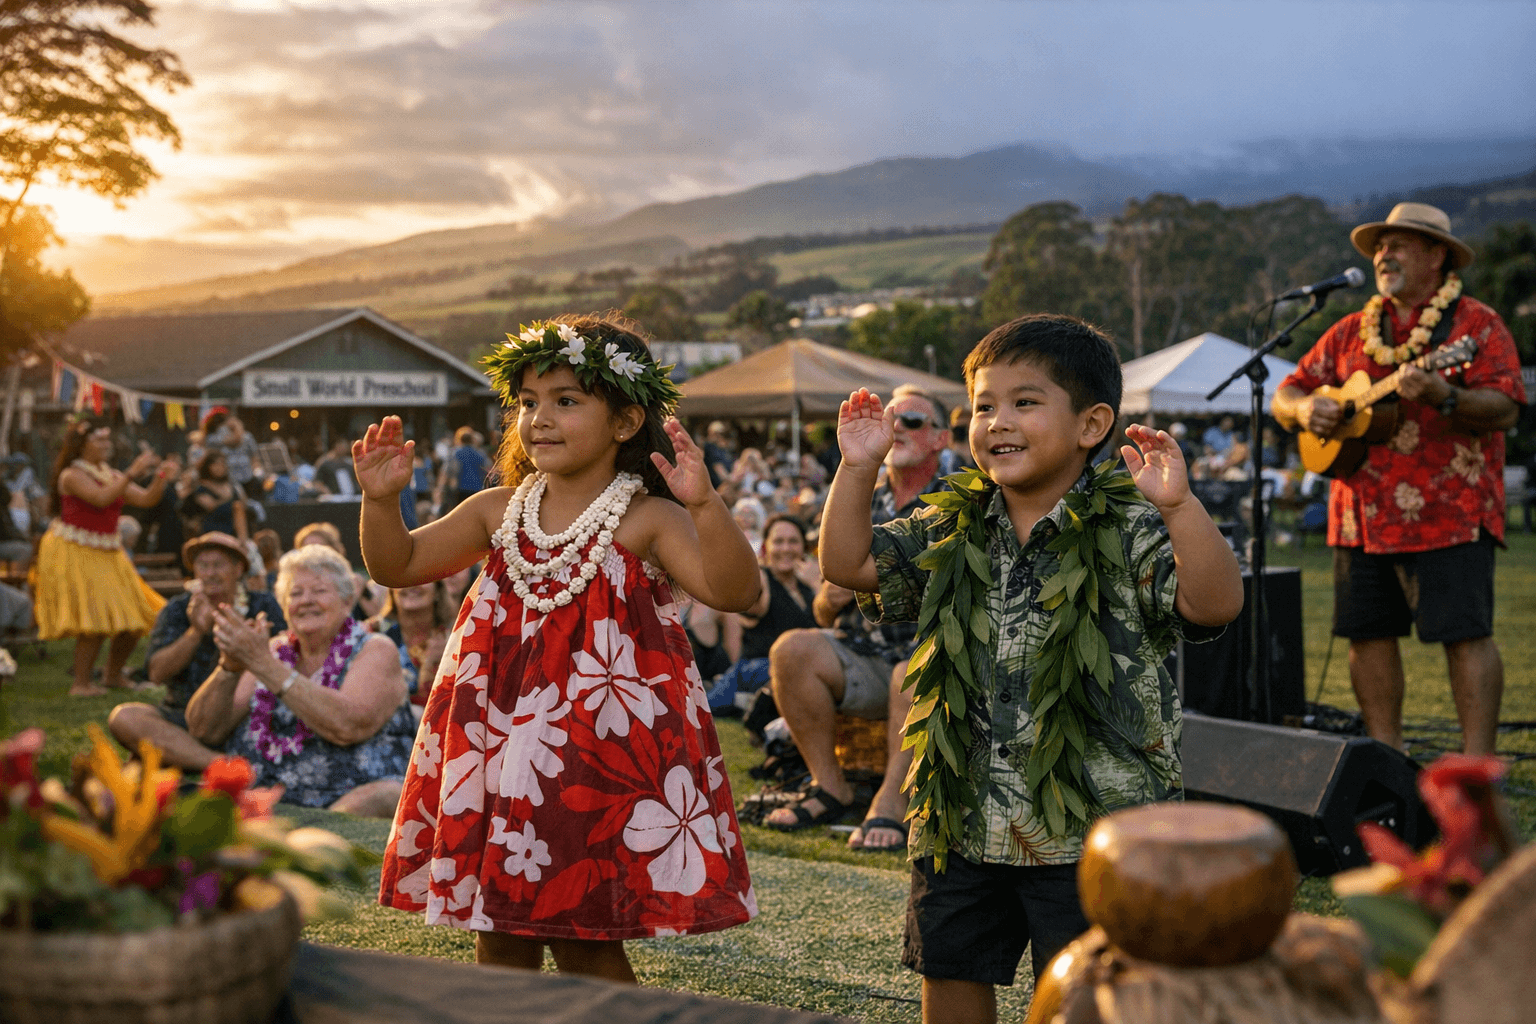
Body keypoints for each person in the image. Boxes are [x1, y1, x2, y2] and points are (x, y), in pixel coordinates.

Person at [821, 314, 1243, 1024]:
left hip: (1088, 828)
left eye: (1024, 402)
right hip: (960, 817)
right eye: (983, 406)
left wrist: (1179, 505)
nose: (997, 422)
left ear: (1091, 424)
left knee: (1088, 999)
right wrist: (859, 466)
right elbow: (849, 565)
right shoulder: (948, 521)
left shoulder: (1131, 523)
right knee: (951, 971)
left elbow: (1214, 604)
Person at [363, 315, 760, 983]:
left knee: (585, 939)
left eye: (566, 400)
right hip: (496, 735)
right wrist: (381, 502)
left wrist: (707, 505)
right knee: (499, 930)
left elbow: (733, 589)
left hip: (598, 752)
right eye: (527, 403)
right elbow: (397, 564)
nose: (539, 418)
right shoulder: (496, 509)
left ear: (627, 422)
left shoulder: (648, 517)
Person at [1272, 202, 1525, 756]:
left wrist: (1447, 395)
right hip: (1360, 514)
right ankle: (1386, 762)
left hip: (1450, 513)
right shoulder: (1346, 332)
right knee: (1366, 638)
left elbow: (1506, 407)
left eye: (1400, 243)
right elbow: (1286, 390)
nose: (1384, 253)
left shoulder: (1475, 326)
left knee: (1465, 636)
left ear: (1438, 256)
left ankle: (1478, 772)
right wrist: (1305, 409)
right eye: (1380, 245)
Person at [759, 383, 950, 850]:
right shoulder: (858, 493)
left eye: (912, 421)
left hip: (930, 660)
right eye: (891, 419)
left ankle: (891, 801)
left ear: (941, 439)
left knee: (912, 669)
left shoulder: (957, 499)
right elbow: (823, 610)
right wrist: (833, 595)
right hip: (864, 653)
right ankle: (830, 786)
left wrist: (881, 580)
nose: (897, 428)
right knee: (792, 648)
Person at [185, 543, 416, 816]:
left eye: (319, 591)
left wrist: (261, 663)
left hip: (349, 792)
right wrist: (229, 667)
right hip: (266, 788)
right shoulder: (272, 650)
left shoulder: (375, 648)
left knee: (380, 796)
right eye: (295, 594)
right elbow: (206, 730)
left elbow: (347, 726)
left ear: (346, 602)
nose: (306, 600)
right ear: (284, 608)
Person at [108, 532, 287, 770]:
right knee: (125, 717)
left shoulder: (262, 605)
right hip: (183, 716)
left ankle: (182, 755)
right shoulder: (178, 609)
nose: (210, 573)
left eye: (218, 564)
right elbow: (156, 674)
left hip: (247, 715)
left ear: (238, 569)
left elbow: (287, 656)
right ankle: (223, 766)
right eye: (202, 565)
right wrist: (194, 632)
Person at [33, 419, 176, 696]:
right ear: (81, 444)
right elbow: (100, 498)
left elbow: (146, 499)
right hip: (77, 549)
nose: (106, 445)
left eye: (107, 440)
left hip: (108, 550)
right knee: (94, 619)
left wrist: (161, 477)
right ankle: (81, 684)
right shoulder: (71, 475)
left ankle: (112, 676)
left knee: (134, 616)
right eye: (99, 440)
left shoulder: (109, 473)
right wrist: (130, 474)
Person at [707, 513, 819, 711]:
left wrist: (816, 585)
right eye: (778, 541)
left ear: (803, 547)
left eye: (793, 541)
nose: (785, 548)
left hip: (807, 668)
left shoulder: (808, 585)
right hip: (762, 668)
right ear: (766, 547)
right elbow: (748, 596)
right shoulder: (761, 578)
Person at [369, 579, 455, 714]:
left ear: (438, 590)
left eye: (422, 578)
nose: (411, 585)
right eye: (404, 579)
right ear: (392, 591)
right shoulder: (372, 634)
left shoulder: (454, 638)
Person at [182, 451, 249, 541]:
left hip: (234, 534)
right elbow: (210, 506)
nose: (220, 467)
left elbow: (244, 504)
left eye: (222, 463)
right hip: (211, 536)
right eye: (215, 464)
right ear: (207, 466)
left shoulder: (233, 486)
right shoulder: (201, 488)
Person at [434, 426, 488, 512]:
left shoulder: (455, 453)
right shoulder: (480, 454)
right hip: (477, 489)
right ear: (471, 440)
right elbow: (487, 470)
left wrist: (440, 488)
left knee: (460, 513)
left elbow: (447, 471)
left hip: (460, 489)